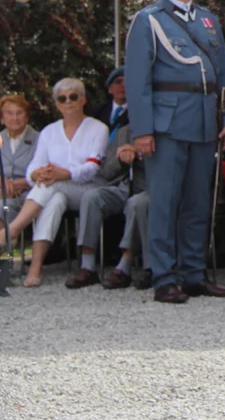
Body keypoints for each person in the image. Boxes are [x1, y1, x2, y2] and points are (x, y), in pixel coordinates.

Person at [125, 0, 225, 304]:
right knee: (164, 202)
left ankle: (192, 273)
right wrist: (142, 130)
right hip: (167, 123)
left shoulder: (207, 21)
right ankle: (163, 276)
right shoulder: (149, 20)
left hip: (204, 120)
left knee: (198, 202)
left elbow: (223, 73)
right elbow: (137, 81)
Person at [0, 78, 108, 287]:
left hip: (89, 190)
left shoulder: (98, 128)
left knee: (52, 186)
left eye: (73, 97)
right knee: (55, 198)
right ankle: (36, 267)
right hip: (54, 189)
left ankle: (12, 231)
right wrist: (36, 175)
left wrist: (63, 174)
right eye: (62, 98)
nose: (68, 102)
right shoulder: (49, 131)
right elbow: (34, 166)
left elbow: (93, 168)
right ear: (57, 103)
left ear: (83, 99)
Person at [66, 123, 151, 289]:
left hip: (149, 187)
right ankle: (88, 266)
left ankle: (124, 267)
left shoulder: (162, 130)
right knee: (91, 197)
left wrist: (138, 154)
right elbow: (106, 172)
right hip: (123, 185)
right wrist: (119, 159)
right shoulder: (123, 131)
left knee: (136, 203)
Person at [0, 94, 39, 220]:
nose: (15, 118)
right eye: (9, 113)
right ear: (2, 118)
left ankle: (6, 238)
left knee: (3, 206)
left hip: (28, 195)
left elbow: (42, 174)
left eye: (19, 113)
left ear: (26, 117)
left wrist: (14, 185)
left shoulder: (40, 139)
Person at [89, 68, 129, 141]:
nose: (123, 85)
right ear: (110, 89)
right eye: (118, 82)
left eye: (128, 81)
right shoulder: (97, 112)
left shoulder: (139, 113)